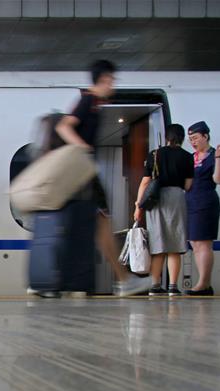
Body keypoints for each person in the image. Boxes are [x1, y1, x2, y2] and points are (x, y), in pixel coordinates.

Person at [55, 60, 150, 297]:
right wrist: (84, 149)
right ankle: (122, 280)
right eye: (112, 80)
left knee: (100, 226)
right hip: (85, 172)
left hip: (85, 174)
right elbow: (64, 127)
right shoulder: (88, 100)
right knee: (100, 225)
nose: (113, 85)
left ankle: (120, 279)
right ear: (105, 78)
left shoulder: (95, 103)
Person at [134, 124, 194, 296]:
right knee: (175, 245)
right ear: (182, 138)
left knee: (158, 243)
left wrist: (138, 206)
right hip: (176, 197)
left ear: (167, 137)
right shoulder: (187, 157)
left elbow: (145, 182)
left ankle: (155, 285)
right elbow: (188, 185)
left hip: (156, 199)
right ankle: (173, 287)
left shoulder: (155, 154)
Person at [185, 121, 220, 296]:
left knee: (203, 244)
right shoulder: (191, 158)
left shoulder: (214, 156)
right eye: (190, 139)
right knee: (195, 243)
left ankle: (203, 283)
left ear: (205, 136)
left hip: (206, 202)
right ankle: (204, 283)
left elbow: (219, 179)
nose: (193, 142)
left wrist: (218, 157)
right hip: (191, 202)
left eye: (195, 138)